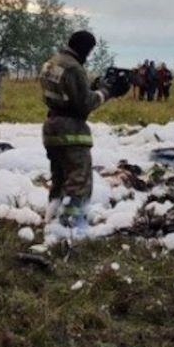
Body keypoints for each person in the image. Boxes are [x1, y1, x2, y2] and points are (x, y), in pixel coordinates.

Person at [39, 30, 124, 235]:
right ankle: (70, 225)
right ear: (85, 48)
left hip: (51, 128)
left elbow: (64, 94)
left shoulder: (51, 63)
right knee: (79, 179)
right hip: (71, 131)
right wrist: (106, 92)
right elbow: (84, 104)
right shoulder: (74, 68)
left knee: (59, 178)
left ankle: (52, 219)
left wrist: (89, 88)